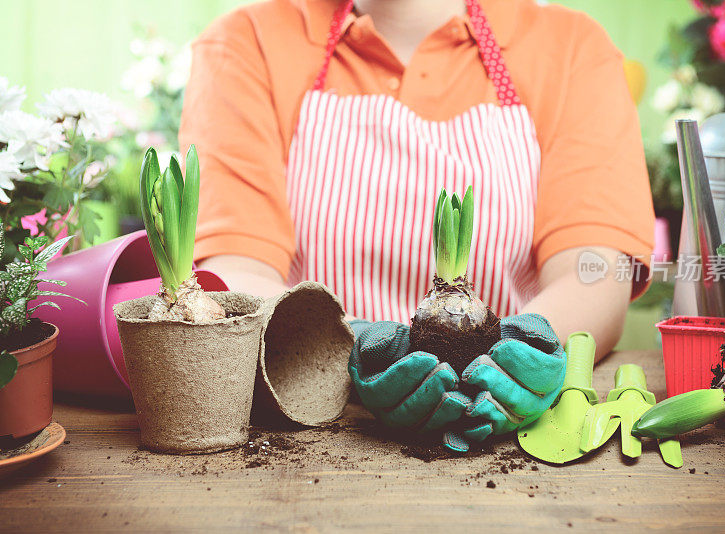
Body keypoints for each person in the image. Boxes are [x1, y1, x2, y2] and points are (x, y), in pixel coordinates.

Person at [180, 0, 654, 450]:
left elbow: (593, 273)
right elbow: (235, 274)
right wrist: (346, 347)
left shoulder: (570, 49)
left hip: (499, 427)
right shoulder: (246, 45)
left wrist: (516, 355)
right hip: (315, 429)